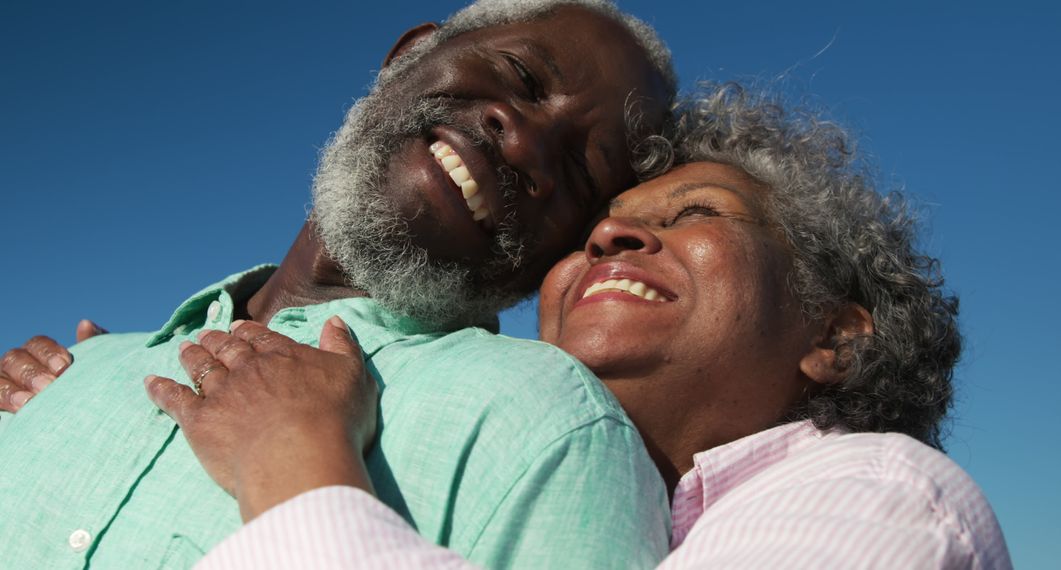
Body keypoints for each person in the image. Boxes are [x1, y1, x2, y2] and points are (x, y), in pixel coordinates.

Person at [135, 84, 1009, 568]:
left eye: (699, 211)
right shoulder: (559, 486)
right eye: (601, 226)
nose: (611, 235)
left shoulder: (882, 497)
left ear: (836, 337)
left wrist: (295, 463)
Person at [0, 1, 680, 568]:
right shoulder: (76, 371)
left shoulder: (549, 425)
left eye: (578, 170)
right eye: (521, 74)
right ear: (408, 57)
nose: (525, 143)